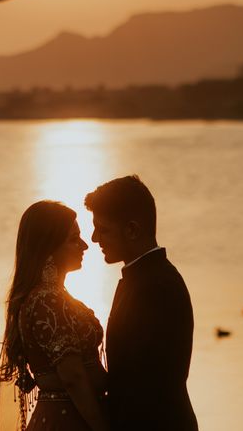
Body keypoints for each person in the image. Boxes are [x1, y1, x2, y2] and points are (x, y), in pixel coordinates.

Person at [85, 175, 198, 431]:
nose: (94, 238)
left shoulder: (157, 287)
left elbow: (149, 383)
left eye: (103, 229)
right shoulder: (137, 279)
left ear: (132, 230)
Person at [0, 201, 110, 431]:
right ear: (49, 248)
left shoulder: (50, 298)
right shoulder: (47, 302)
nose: (84, 245)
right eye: (73, 239)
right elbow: (73, 378)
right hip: (68, 421)